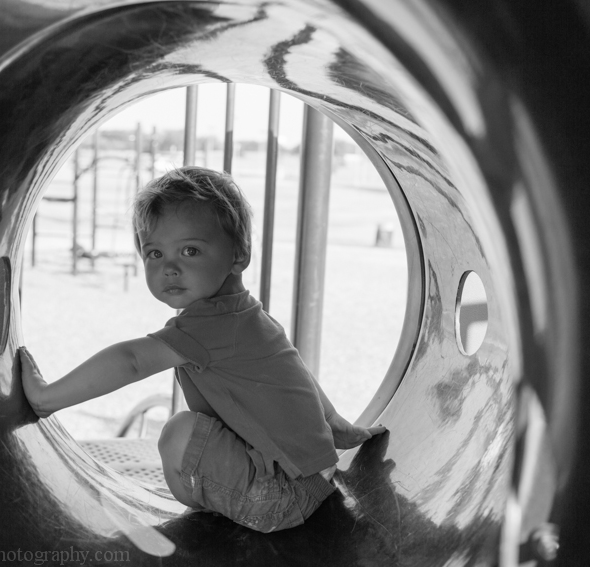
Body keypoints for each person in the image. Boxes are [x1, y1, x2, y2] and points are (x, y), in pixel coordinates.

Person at [20, 166, 385, 533]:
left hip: (281, 498)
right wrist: (336, 424)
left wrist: (48, 398)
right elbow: (294, 373)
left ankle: (212, 518)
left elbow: (131, 361)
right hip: (310, 480)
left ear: (239, 255)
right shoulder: (246, 314)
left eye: (190, 250)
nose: (170, 268)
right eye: (154, 254)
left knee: (180, 434)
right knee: (191, 431)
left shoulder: (212, 324)